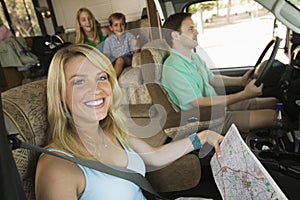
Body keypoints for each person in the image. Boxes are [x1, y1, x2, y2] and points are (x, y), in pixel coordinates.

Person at [34, 44, 223, 199]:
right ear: (59, 94)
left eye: (101, 77)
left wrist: (204, 137)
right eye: (79, 82)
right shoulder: (56, 167)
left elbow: (156, 156)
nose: (97, 89)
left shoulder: (113, 131)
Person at [161, 13, 278, 135]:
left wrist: (241, 81)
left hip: (218, 108)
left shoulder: (193, 57)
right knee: (275, 116)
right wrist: (244, 95)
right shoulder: (173, 68)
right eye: (191, 29)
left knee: (274, 102)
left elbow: (212, 79)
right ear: (175, 35)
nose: (196, 32)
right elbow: (199, 102)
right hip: (207, 120)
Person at [103, 12, 137, 78]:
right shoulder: (108, 40)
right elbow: (106, 54)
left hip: (127, 58)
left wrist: (136, 45)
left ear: (125, 25)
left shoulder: (129, 36)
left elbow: (135, 51)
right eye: (116, 25)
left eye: (122, 24)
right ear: (111, 28)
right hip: (114, 60)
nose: (119, 27)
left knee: (120, 60)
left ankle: (112, 81)